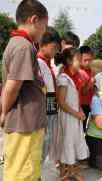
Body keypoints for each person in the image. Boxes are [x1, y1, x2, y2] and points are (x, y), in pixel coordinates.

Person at [1, 0, 48, 180]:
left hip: (27, 122)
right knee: (23, 171)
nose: (43, 33)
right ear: (34, 20)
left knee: (24, 168)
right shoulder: (23, 46)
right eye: (44, 27)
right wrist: (4, 112)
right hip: (24, 123)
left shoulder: (20, 44)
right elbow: (12, 87)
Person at [56, 48, 89, 180]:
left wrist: (79, 110)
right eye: (78, 59)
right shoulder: (64, 78)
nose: (81, 62)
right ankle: (70, 172)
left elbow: (74, 100)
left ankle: (67, 171)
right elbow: (61, 102)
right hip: (67, 117)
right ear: (69, 61)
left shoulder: (72, 77)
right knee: (68, 142)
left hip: (73, 116)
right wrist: (76, 113)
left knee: (71, 141)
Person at [37, 26, 61, 163]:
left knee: (49, 136)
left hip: (51, 102)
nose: (56, 51)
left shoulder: (47, 63)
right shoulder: (38, 63)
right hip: (45, 103)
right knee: (44, 138)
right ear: (43, 44)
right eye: (54, 47)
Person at [78, 45, 95, 132]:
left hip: (88, 103)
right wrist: (90, 83)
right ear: (79, 59)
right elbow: (84, 91)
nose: (88, 63)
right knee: (81, 128)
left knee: (85, 127)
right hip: (81, 104)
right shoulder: (79, 72)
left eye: (90, 60)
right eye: (85, 60)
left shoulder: (90, 71)